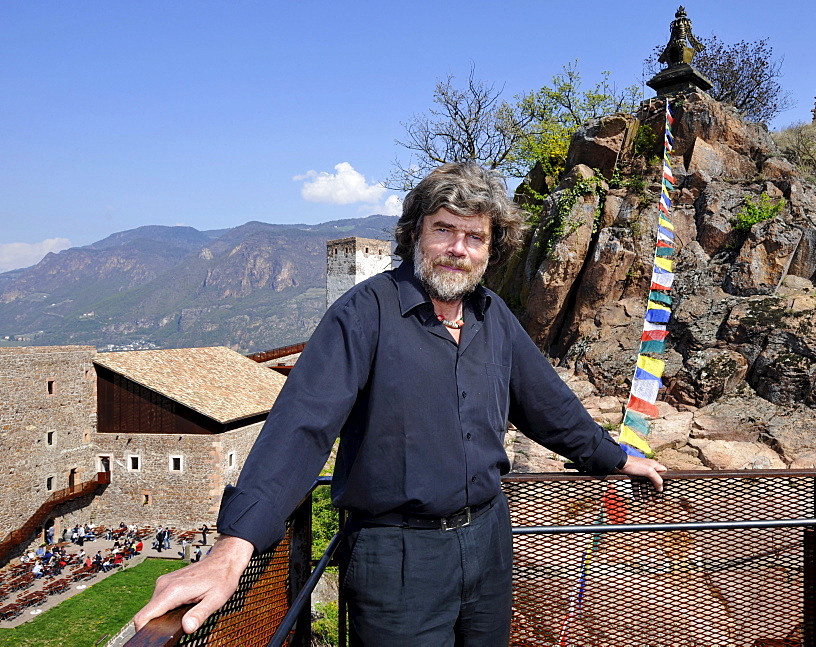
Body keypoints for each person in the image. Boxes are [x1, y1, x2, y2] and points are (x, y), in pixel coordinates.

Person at [133, 162, 667, 644]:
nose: (459, 248)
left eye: (474, 237)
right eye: (444, 230)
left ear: (490, 249)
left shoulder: (493, 316)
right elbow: (303, 426)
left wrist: (614, 457)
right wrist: (235, 544)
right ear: (415, 235)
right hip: (397, 559)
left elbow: (548, 405)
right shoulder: (364, 314)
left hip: (488, 542)